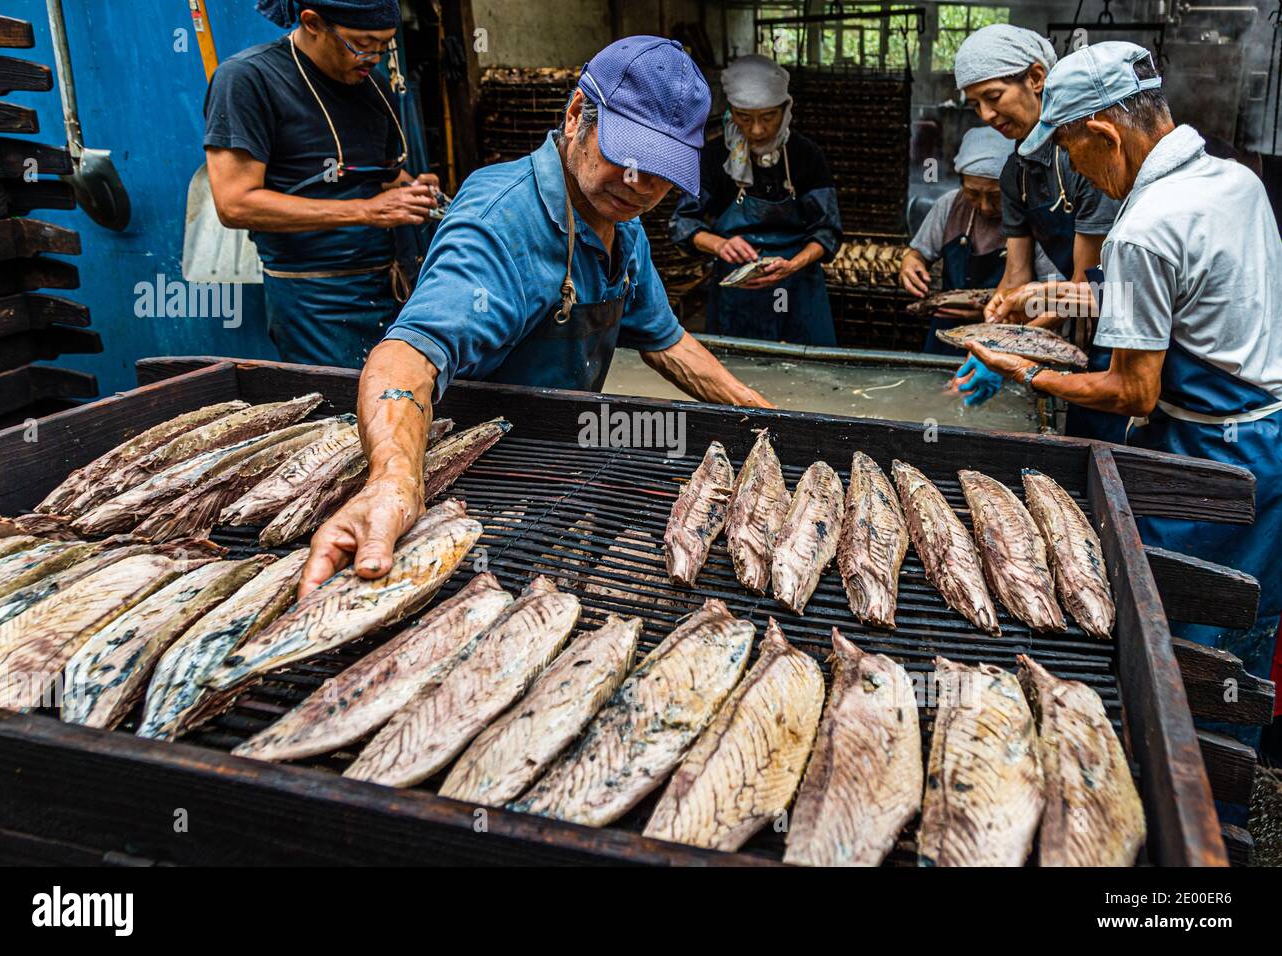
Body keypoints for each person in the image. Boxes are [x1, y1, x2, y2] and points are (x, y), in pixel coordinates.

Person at [299, 36, 773, 596]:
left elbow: (666, 341)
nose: (641, 185)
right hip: (479, 478)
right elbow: (409, 353)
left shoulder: (620, 217)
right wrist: (395, 480)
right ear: (577, 116)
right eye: (630, 158)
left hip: (559, 462)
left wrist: (766, 417)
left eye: (662, 171)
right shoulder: (501, 223)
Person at [967, 42, 1282, 747]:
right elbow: (1199, 298)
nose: (1074, 171)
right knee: (1246, 630)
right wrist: (1061, 296)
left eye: (1072, 152)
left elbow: (1133, 391)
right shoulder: (1236, 182)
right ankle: (1226, 795)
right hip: (1271, 440)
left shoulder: (1143, 225)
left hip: (1209, 454)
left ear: (1103, 134)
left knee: (1184, 642)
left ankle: (1185, 799)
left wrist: (1024, 372)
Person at [205, 0, 442, 368]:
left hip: (392, 285)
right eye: (361, 43)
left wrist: (414, 192)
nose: (373, 56)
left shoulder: (372, 83)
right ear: (312, 23)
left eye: (384, 45)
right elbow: (235, 204)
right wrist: (365, 211)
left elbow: (381, 177)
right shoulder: (248, 79)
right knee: (341, 414)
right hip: (314, 298)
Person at [949, 25, 1123, 436]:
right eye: (975, 105)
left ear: (1036, 77)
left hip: (1119, 313)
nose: (987, 116)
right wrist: (990, 333)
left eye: (993, 97)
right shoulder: (1015, 173)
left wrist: (1010, 346)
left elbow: (1087, 287)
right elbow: (1016, 275)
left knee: (1101, 433)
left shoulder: (1086, 158)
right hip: (1075, 310)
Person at [669, 54, 842, 345]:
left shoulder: (805, 155)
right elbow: (682, 223)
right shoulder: (715, 157)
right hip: (737, 293)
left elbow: (828, 231)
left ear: (786, 109)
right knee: (738, 376)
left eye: (768, 117)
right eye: (744, 118)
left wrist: (793, 264)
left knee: (807, 376)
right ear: (731, 111)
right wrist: (720, 244)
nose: (757, 130)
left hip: (796, 288)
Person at [899, 125, 1048, 355]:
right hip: (946, 332)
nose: (985, 206)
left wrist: (991, 311)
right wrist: (910, 261)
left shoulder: (1033, 217)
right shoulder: (949, 205)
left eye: (996, 196)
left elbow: (1050, 295)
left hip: (1007, 337)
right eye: (973, 194)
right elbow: (918, 252)